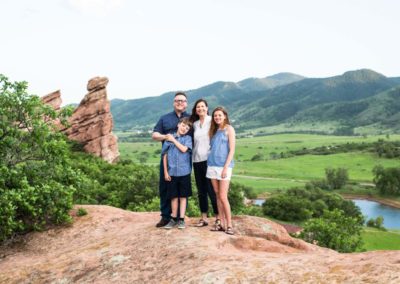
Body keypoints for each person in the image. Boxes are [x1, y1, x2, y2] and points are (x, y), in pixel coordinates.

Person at [152, 92, 190, 227]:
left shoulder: (191, 118)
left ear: (186, 103)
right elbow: (155, 134)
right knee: (165, 186)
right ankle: (166, 216)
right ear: (174, 103)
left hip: (184, 160)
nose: (180, 102)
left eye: (183, 100)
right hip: (167, 159)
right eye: (177, 100)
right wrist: (166, 137)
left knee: (183, 189)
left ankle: (181, 217)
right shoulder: (165, 118)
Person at [206, 107, 236, 235]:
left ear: (224, 116)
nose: (217, 117)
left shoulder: (229, 129)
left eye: (219, 115)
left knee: (223, 196)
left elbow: (232, 150)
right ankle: (221, 224)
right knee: (217, 195)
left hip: (224, 167)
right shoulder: (213, 130)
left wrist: (225, 167)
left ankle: (229, 225)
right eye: (215, 116)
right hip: (212, 165)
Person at [190, 99, 219, 227]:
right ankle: (204, 218)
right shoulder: (195, 124)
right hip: (196, 161)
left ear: (207, 108)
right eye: (198, 107)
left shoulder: (212, 120)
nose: (200, 108)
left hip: (209, 160)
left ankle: (218, 217)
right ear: (196, 110)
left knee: (212, 190)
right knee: (201, 191)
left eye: (202, 106)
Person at [162, 117, 193, 229]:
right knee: (173, 197)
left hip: (184, 172)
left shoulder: (188, 138)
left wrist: (174, 140)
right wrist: (166, 172)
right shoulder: (168, 139)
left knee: (183, 197)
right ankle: (173, 218)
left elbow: (184, 149)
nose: (185, 128)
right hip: (172, 172)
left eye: (187, 127)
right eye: (183, 125)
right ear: (178, 125)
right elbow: (164, 155)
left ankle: (181, 219)